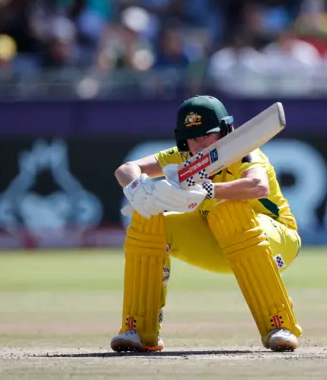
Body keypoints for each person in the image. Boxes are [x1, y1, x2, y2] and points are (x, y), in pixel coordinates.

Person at [112, 95, 302, 352]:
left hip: (275, 239)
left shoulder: (244, 152)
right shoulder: (182, 156)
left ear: (224, 132)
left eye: (207, 136)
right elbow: (126, 168)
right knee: (147, 218)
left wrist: (207, 190)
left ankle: (279, 325)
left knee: (229, 212)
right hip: (217, 241)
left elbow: (258, 185)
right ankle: (139, 330)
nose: (200, 145)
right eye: (193, 138)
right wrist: (138, 187)